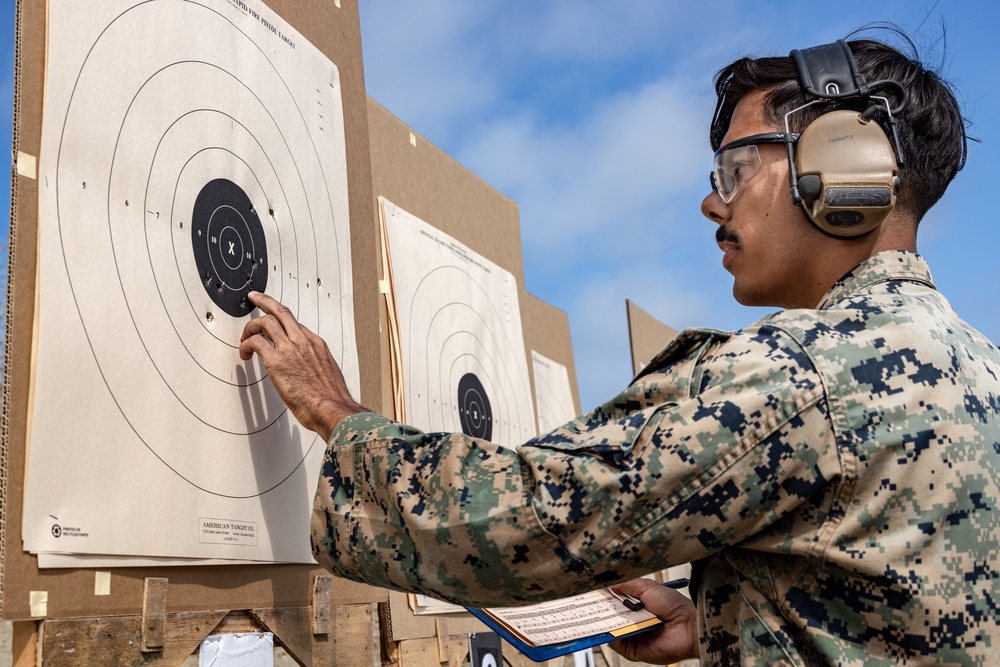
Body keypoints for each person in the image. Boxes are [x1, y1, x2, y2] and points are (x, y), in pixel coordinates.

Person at [239, 32, 1000, 665]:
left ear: (843, 166)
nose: (714, 201)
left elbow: (529, 518)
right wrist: (727, 618)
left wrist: (339, 416)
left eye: (739, 169)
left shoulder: (802, 374)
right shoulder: (982, 367)